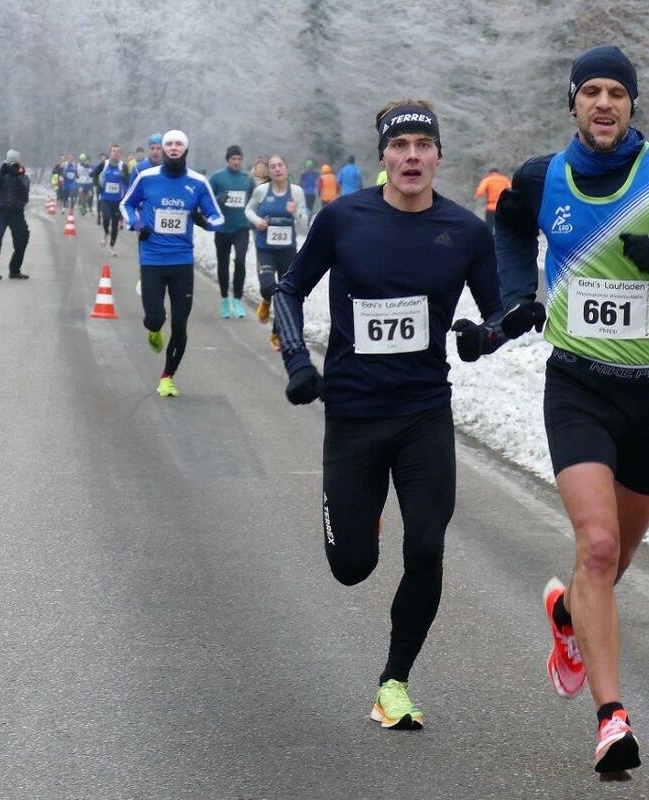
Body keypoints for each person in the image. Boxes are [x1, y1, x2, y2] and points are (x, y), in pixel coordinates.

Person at [495, 45, 649, 777]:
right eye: (591, 92)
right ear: (573, 102)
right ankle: (612, 720)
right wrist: (517, 296)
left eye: (617, 93)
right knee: (597, 548)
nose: (604, 104)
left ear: (633, 104)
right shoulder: (542, 177)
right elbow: (508, 225)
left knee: (615, 560)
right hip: (577, 385)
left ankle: (568, 615)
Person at [272, 99, 538, 733]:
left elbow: (497, 314)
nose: (412, 156)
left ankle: (394, 682)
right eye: (400, 146)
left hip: (424, 414)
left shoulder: (464, 231)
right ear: (384, 156)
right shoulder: (344, 218)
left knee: (426, 546)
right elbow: (288, 288)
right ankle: (361, 515)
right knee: (352, 567)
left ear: (439, 156)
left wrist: (486, 337)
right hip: (354, 414)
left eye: (423, 145)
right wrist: (298, 362)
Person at [120, 130, 224, 398]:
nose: (174, 148)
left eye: (179, 144)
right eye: (169, 144)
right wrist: (137, 224)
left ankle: (167, 377)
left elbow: (217, 217)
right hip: (152, 259)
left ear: (185, 149)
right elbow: (126, 205)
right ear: (163, 149)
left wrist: (204, 221)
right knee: (155, 319)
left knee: (180, 325)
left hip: (182, 262)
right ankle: (154, 330)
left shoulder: (197, 182)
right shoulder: (147, 177)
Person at [246, 154, 307, 349]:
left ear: (286, 168)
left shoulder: (296, 192)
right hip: (265, 249)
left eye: (280, 165)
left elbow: (305, 223)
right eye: (273, 167)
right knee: (268, 287)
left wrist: (295, 212)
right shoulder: (261, 191)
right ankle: (265, 300)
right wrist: (257, 221)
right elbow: (248, 210)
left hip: (287, 251)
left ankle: (277, 334)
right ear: (269, 172)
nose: (277, 169)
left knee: (285, 294)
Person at [209, 145, 254, 319]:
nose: (236, 162)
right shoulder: (218, 177)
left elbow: (254, 201)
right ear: (228, 160)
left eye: (239, 159)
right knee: (223, 263)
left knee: (240, 261)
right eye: (233, 159)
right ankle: (224, 299)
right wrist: (220, 199)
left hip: (242, 227)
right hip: (223, 228)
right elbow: (208, 200)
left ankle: (237, 299)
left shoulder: (247, 179)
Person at [0, 150, 32, 280]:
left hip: (17, 213)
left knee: (22, 240)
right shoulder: (1, 174)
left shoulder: (23, 176)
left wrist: (18, 176)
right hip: (1, 212)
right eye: (11, 163)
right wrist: (1, 172)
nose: (13, 166)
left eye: (15, 163)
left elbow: (25, 190)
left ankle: (15, 270)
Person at [91, 145, 129, 256]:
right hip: (105, 198)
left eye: (118, 151)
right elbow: (95, 174)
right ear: (110, 153)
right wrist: (97, 185)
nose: (115, 153)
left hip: (117, 200)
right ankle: (106, 233)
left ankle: (112, 247)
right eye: (113, 151)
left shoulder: (123, 166)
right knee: (106, 217)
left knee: (115, 224)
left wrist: (123, 177)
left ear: (120, 154)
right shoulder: (104, 164)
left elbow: (127, 181)